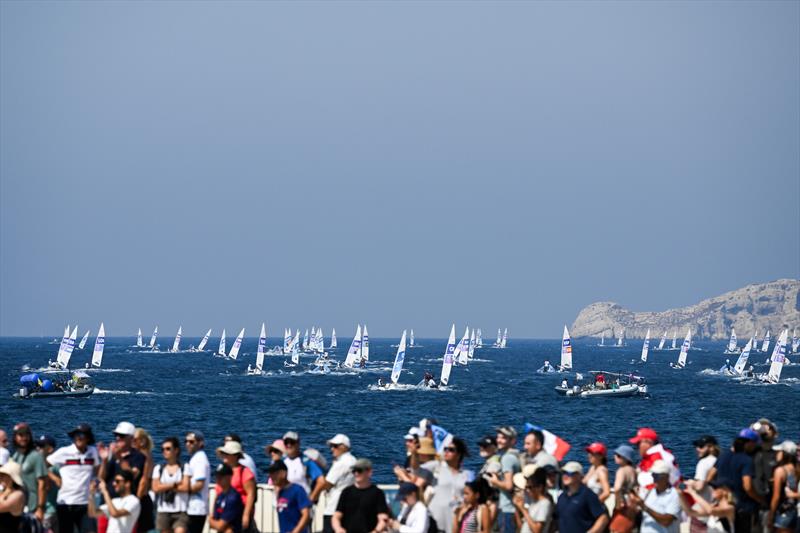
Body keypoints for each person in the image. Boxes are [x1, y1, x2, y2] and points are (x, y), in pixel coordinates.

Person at [47, 423, 100, 533]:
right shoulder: (64, 452)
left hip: (85, 503)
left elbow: (97, 470)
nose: (79, 437)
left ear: (88, 438)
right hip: (66, 503)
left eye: (82, 435)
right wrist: (55, 478)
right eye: (77, 435)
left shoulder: (93, 451)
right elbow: (43, 464)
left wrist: (95, 480)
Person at [713, 428, 767, 533]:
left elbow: (710, 476)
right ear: (749, 443)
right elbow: (747, 486)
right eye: (755, 443)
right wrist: (760, 500)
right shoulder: (746, 460)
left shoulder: (723, 456)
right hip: (742, 507)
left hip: (724, 504)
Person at [98, 421, 146, 533]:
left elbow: (133, 475)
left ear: (131, 438)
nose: (117, 438)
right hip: (107, 503)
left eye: (121, 436)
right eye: (116, 436)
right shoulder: (112, 456)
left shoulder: (138, 457)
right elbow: (101, 478)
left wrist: (119, 457)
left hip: (125, 506)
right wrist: (104, 461)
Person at [309, 433, 356, 533]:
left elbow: (327, 483)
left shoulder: (342, 462)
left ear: (344, 447)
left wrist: (317, 474)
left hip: (334, 509)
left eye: (335, 446)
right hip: (349, 509)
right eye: (331, 446)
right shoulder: (353, 460)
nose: (332, 449)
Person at [427, 437, 472, 533]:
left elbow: (471, 497)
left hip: (455, 522)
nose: (446, 452)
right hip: (434, 522)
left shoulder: (467, 475)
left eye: (451, 450)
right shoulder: (436, 467)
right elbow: (417, 470)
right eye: (445, 449)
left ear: (458, 454)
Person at [333, 458, 390, 533]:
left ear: (369, 472)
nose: (356, 473)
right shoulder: (346, 492)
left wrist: (376, 531)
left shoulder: (377, 493)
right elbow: (336, 516)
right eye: (354, 471)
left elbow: (383, 518)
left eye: (359, 470)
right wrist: (338, 529)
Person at [152, 436, 192, 533]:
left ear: (176, 450)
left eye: (168, 449)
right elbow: (155, 488)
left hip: (181, 511)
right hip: (163, 511)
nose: (165, 451)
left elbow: (185, 487)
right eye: (163, 449)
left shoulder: (184, 467)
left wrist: (163, 486)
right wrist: (174, 484)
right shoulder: (159, 468)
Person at [555, 461, 608, 533]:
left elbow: (603, 518)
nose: (565, 476)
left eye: (569, 473)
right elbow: (557, 519)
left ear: (579, 476)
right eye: (564, 472)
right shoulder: (561, 497)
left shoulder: (588, 495)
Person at [11, 422, 48, 524]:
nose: (24, 438)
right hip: (19, 508)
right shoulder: (16, 456)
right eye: (20, 435)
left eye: (26, 435)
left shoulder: (36, 456)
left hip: (33, 508)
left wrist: (40, 508)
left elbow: (42, 484)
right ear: (15, 437)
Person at [629, 460, 681, 533]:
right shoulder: (650, 492)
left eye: (657, 476)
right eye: (653, 475)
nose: (654, 479)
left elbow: (666, 521)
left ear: (666, 477)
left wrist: (644, 506)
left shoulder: (674, 495)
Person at [217, 440, 256, 533]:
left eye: (227, 453)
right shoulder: (223, 472)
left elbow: (251, 494)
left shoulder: (244, 472)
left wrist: (246, 515)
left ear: (235, 455)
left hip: (239, 514)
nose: (224, 455)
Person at [487, 426, 519, 533]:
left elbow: (509, 485)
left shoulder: (507, 458)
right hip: (513, 508)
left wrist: (495, 482)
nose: (499, 440)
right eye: (498, 437)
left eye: (503, 438)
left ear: (512, 441)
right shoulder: (515, 455)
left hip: (507, 509)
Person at [629, 427, 679, 495]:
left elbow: (659, 483)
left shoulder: (657, 457)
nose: (637, 447)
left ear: (648, 443)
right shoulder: (652, 455)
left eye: (638, 444)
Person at [268, 459, 312, 533]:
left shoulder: (297, 490)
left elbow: (306, 514)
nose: (272, 477)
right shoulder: (280, 492)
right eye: (270, 474)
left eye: (275, 474)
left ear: (284, 473)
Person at [768, 440, 798, 532]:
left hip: (782, 512)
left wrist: (771, 515)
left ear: (784, 454)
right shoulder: (796, 468)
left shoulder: (780, 471)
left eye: (780, 451)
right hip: (793, 512)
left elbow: (776, 497)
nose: (777, 453)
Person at [512, 467, 552, 533]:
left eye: (530, 487)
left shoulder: (544, 504)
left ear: (540, 487)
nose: (527, 490)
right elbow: (522, 528)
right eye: (526, 487)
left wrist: (523, 510)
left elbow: (537, 530)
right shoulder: (533, 502)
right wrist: (517, 509)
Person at [185, 431, 210, 533]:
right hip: (192, 508)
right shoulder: (195, 458)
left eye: (191, 442)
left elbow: (199, 484)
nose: (188, 444)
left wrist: (180, 490)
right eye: (186, 441)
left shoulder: (199, 459)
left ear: (200, 443)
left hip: (196, 509)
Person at [35, 434, 61, 533]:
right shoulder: (57, 466)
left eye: (41, 446)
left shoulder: (54, 468)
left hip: (47, 511)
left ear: (50, 449)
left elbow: (48, 487)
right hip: (54, 510)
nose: (38, 449)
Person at [132, 427, 156, 533]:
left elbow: (144, 481)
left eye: (134, 440)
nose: (131, 442)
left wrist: (135, 501)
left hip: (141, 500)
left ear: (142, 441)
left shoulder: (144, 457)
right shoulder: (145, 456)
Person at [209, 464, 243, 533]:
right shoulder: (220, 496)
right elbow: (213, 521)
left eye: (221, 477)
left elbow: (219, 525)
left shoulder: (233, 498)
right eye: (217, 476)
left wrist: (213, 522)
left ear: (229, 477)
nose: (218, 479)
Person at [0, 460, 26, 532]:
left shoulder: (18, 494)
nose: (1, 477)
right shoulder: (4, 492)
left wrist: (6, 491)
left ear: (11, 478)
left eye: (3, 475)